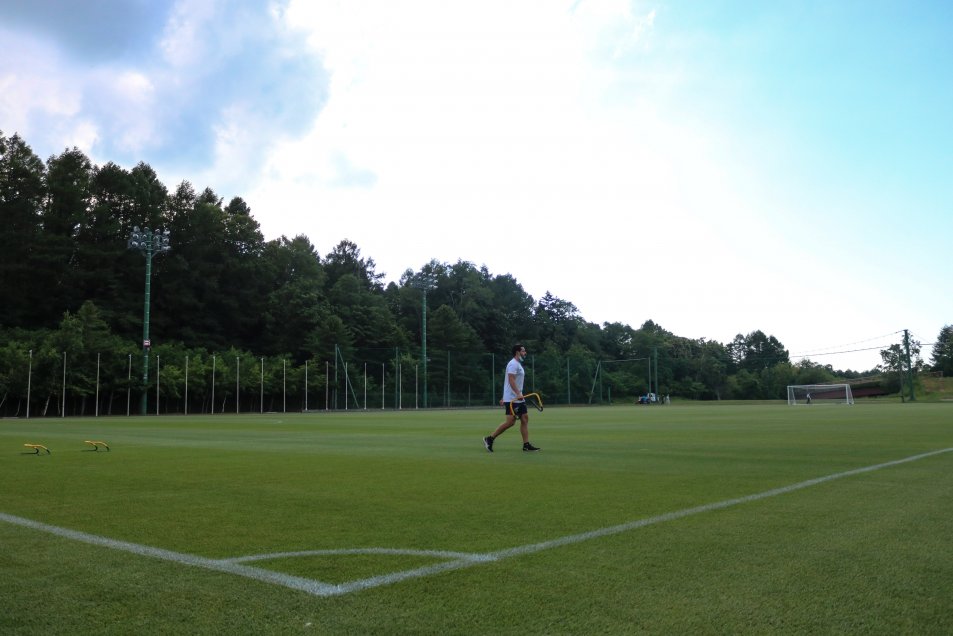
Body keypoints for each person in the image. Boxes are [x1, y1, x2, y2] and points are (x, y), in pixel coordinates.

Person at [483, 344, 540, 453]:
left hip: (517, 397)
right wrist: (516, 394)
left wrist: (506, 396)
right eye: (523, 351)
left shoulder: (517, 364)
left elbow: (510, 382)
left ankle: (526, 445)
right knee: (510, 422)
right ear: (518, 352)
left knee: (524, 418)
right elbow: (511, 380)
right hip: (513, 398)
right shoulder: (513, 364)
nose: (525, 353)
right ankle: (489, 439)